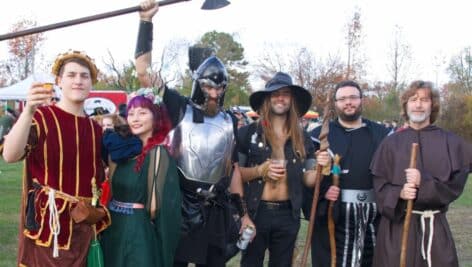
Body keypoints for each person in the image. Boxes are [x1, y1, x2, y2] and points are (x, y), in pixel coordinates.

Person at [135, 1, 254, 266]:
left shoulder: (229, 120)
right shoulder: (178, 107)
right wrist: (146, 21)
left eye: (220, 89)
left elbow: (232, 169)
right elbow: (144, 73)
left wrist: (242, 212)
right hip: (179, 206)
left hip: (216, 209)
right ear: (198, 85)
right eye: (209, 87)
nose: (214, 93)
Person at [1, 50, 110, 267]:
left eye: (84, 76)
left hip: (85, 229)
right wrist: (29, 110)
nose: (78, 80)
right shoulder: (42, 117)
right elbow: (10, 155)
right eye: (71, 75)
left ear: (91, 83)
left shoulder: (96, 129)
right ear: (59, 81)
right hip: (49, 230)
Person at [370, 80, 472, 267]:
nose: (418, 104)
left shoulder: (450, 142)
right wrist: (399, 193)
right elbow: (379, 187)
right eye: (413, 99)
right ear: (405, 105)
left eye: (424, 100)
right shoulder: (390, 143)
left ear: (432, 105)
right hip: (397, 233)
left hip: (435, 230)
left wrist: (423, 183)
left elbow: (454, 187)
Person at [302, 80, 390, 267]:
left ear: (361, 100)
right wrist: (324, 191)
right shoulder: (319, 136)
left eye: (352, 97)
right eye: (342, 99)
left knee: (374, 260)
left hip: (374, 217)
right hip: (335, 215)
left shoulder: (382, 135)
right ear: (335, 103)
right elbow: (308, 177)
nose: (348, 102)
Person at [237, 72, 317, 266]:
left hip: (288, 215)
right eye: (275, 93)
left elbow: (309, 179)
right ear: (267, 99)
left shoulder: (303, 138)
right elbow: (234, 174)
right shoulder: (247, 134)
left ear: (292, 100)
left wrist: (322, 169)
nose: (280, 98)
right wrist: (258, 171)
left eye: (286, 93)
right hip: (256, 212)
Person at [100, 92, 182, 267]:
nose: (135, 118)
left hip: (137, 232)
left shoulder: (158, 153)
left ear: (156, 117)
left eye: (143, 113)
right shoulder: (120, 150)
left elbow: (155, 207)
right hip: (112, 226)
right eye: (131, 113)